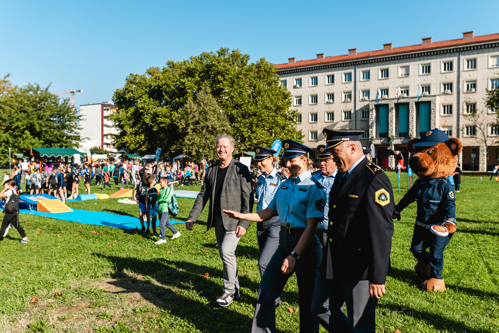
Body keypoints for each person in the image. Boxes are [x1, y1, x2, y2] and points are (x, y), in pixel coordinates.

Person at [224, 140, 325, 332]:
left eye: (291, 160)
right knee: (266, 290)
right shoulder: (285, 185)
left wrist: (294, 255)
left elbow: (311, 227)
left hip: (306, 247)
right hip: (284, 242)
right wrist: (241, 216)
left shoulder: (314, 187)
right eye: (286, 160)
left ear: (305, 160)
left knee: (307, 299)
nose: (287, 164)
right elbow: (268, 213)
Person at [313, 129, 394, 333]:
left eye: (335, 151)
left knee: (361, 323)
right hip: (334, 260)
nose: (331, 157)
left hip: (360, 266)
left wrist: (377, 276)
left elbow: (381, 230)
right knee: (320, 308)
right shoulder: (342, 175)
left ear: (352, 148)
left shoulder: (374, 178)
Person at [186, 134, 253, 307]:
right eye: (218, 146)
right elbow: (203, 195)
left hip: (234, 221)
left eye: (225, 146)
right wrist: (193, 217)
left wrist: (244, 223)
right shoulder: (212, 169)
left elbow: (248, 198)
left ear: (232, 149)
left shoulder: (240, 168)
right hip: (217, 221)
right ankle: (236, 289)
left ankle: (228, 291)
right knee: (226, 256)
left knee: (226, 252)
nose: (221, 149)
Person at [252, 146, 286, 308]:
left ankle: (267, 297)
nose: (259, 164)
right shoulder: (260, 178)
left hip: (276, 222)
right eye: (257, 162)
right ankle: (274, 296)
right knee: (270, 262)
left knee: (263, 262)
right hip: (261, 223)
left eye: (262, 161)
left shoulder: (281, 179)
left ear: (272, 159)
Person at [310, 144, 339, 327]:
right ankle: (316, 296)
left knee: (332, 269)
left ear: (335, 161)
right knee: (315, 267)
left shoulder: (342, 180)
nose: (322, 163)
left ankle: (334, 301)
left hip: (333, 232)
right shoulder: (313, 179)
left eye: (326, 160)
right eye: (320, 160)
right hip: (314, 231)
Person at [0, 179, 29, 243]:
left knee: (4, 225)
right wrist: (6, 201)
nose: (4, 184)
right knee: (17, 225)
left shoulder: (9, 191)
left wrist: (5, 189)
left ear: (9, 185)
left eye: (6, 184)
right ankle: (24, 238)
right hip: (15, 211)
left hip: (10, 212)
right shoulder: (14, 190)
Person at [155, 177, 180, 244]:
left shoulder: (168, 189)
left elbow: (167, 199)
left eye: (161, 182)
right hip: (160, 208)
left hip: (165, 209)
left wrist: (158, 200)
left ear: (165, 182)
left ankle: (163, 238)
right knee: (166, 223)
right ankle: (176, 232)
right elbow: (159, 197)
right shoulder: (161, 189)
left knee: (162, 224)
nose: (160, 183)